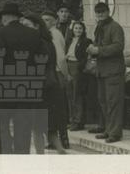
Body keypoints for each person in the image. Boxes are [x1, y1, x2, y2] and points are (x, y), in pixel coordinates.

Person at [0, 3, 49, 154]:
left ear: (5, 17)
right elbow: (43, 59)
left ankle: (5, 155)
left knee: (0, 124)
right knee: (23, 126)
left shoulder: (0, 33)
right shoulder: (33, 34)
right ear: (18, 17)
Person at [20, 12, 66, 155]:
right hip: (51, 86)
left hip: (39, 88)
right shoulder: (48, 41)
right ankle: (61, 152)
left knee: (37, 128)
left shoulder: (34, 43)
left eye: (27, 25)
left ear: (36, 26)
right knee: (49, 127)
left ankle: (41, 157)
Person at [87, 2, 125, 143]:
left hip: (113, 71)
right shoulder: (100, 27)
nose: (100, 14)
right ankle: (108, 130)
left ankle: (115, 133)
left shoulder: (115, 27)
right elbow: (100, 45)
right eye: (98, 12)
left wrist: (98, 50)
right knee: (103, 102)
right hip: (102, 71)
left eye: (103, 11)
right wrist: (92, 48)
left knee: (113, 103)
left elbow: (118, 46)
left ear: (109, 12)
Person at [41, 11, 71, 149]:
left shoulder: (55, 34)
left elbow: (60, 58)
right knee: (52, 109)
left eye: (47, 20)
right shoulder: (47, 34)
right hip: (51, 74)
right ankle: (54, 140)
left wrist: (65, 74)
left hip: (57, 73)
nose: (44, 22)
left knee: (59, 108)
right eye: (43, 20)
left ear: (54, 21)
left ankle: (63, 139)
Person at [66, 21, 94, 131]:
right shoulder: (69, 41)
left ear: (83, 30)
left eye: (80, 28)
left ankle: (78, 121)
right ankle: (71, 120)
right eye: (76, 28)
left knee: (77, 95)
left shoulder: (86, 41)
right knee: (69, 94)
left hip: (78, 68)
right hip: (68, 66)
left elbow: (86, 57)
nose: (78, 30)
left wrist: (79, 68)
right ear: (73, 30)